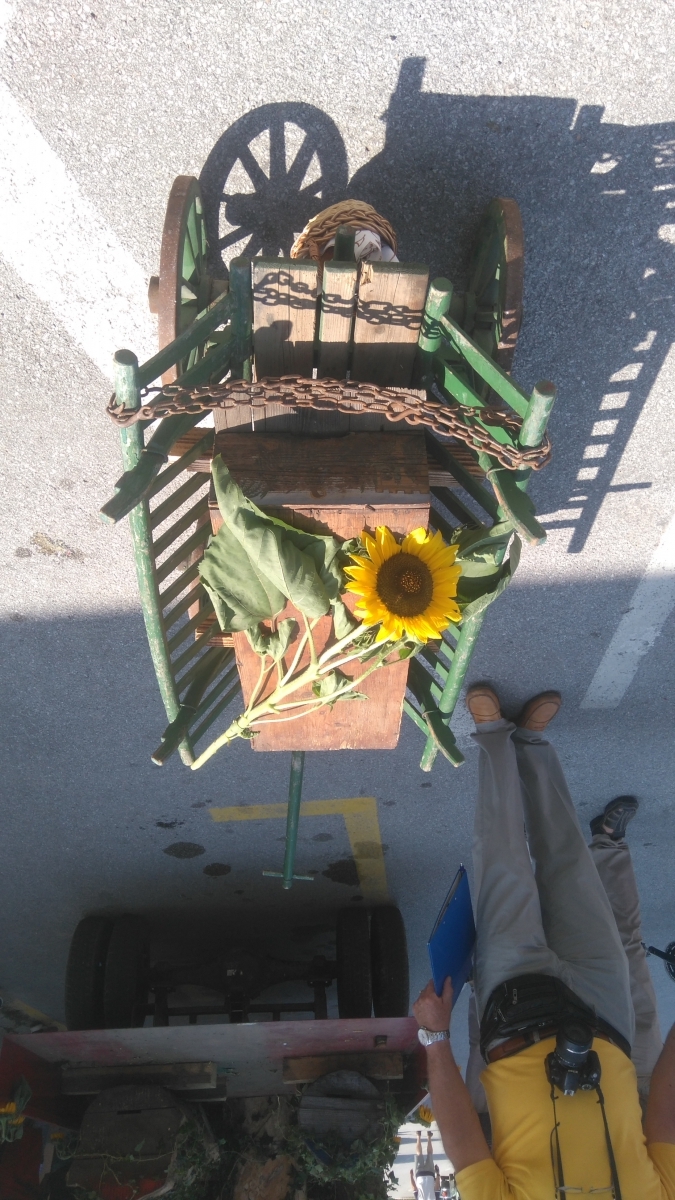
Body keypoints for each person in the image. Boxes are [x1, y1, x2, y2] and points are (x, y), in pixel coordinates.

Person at [413, 686, 675, 1199]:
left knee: (502, 864)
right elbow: (665, 1117)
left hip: (514, 1016)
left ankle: (493, 737)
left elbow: (464, 1143)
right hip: (606, 1016)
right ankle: (532, 747)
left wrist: (435, 1038)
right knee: (571, 865)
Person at [412, 1129, 437, 1200]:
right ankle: (418, 1136)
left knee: (430, 1154)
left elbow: (437, 1188)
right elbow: (414, 1188)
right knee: (419, 1154)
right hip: (420, 1176)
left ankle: (429, 1137)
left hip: (430, 1175)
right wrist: (411, 1176)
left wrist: (438, 1174)